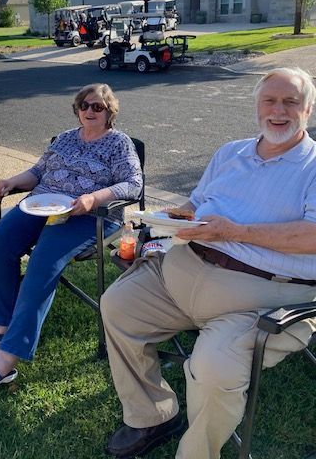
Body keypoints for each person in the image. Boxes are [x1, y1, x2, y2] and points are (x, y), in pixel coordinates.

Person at [102, 67, 316, 459]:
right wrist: (170, 220)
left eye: (291, 102)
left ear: (309, 109)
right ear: (256, 106)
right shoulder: (230, 152)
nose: (278, 111)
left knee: (214, 371)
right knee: (117, 306)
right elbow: (197, 205)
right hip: (183, 269)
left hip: (260, 297)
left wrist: (233, 232)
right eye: (269, 100)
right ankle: (152, 415)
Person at [0, 83, 143, 391]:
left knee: (43, 260)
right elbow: (38, 172)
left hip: (89, 216)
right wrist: (13, 181)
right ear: (77, 109)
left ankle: (7, 358)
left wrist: (94, 198)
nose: (89, 111)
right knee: (0, 242)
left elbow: (133, 184)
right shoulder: (65, 139)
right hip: (42, 204)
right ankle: (4, 321)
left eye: (98, 106)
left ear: (109, 111)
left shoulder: (119, 144)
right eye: (84, 105)